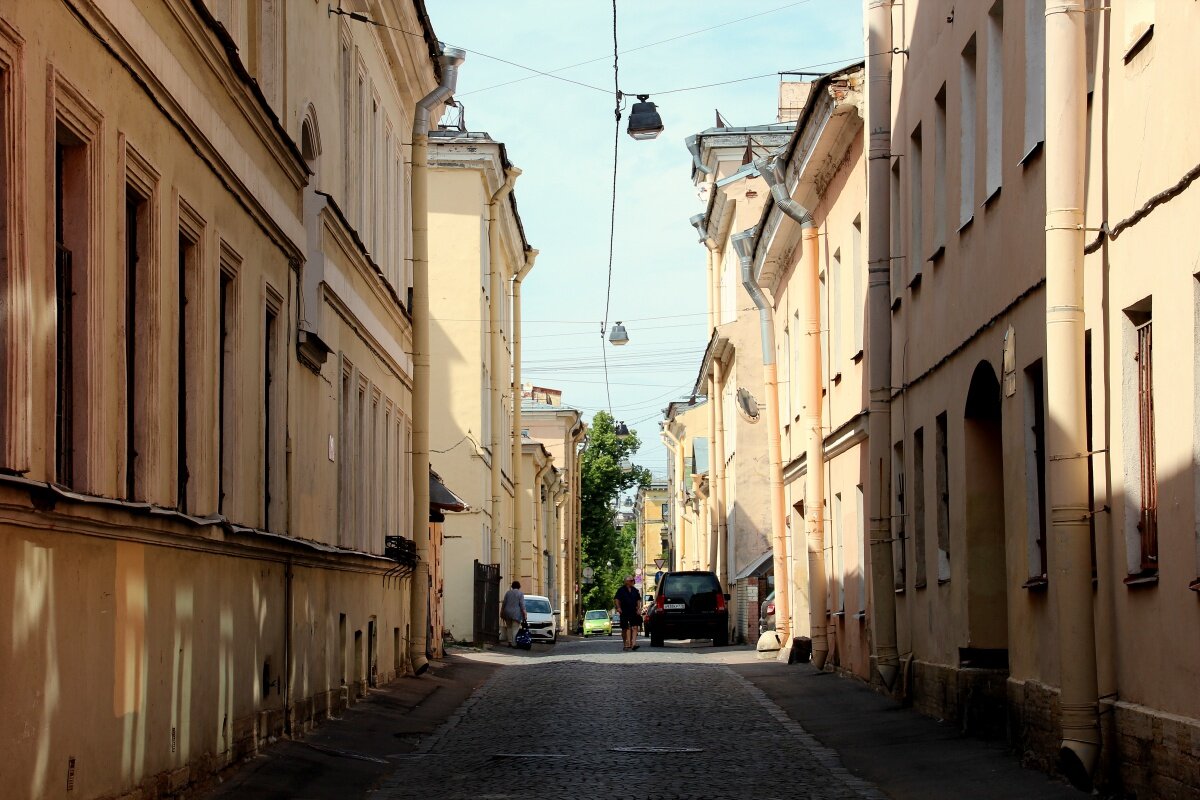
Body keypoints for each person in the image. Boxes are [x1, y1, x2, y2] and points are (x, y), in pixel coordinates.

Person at [614, 575, 642, 652]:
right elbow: (617, 599)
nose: (633, 582)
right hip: (624, 611)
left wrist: (638, 608)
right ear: (626, 582)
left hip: (633, 611)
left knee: (635, 627)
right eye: (632, 581)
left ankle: (633, 644)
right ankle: (625, 643)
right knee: (625, 628)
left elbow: (638, 600)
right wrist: (618, 607)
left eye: (633, 581)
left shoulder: (635, 590)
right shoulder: (621, 590)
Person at [500, 580, 526, 647]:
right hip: (516, 613)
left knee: (509, 628)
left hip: (507, 612)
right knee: (515, 628)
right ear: (519, 586)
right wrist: (524, 613)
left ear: (512, 586)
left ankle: (509, 642)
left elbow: (504, 603)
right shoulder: (520, 594)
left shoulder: (508, 593)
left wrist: (502, 611)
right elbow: (522, 605)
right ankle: (514, 643)